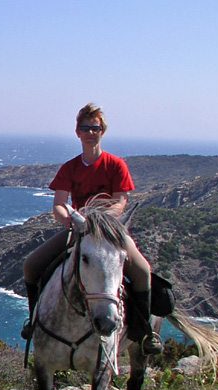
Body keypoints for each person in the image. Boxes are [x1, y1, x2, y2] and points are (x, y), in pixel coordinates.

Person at [21, 103, 163, 355]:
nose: (90, 132)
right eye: (85, 128)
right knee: (32, 265)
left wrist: (100, 220)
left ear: (102, 131)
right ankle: (34, 322)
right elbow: (59, 204)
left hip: (109, 234)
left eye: (95, 128)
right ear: (78, 132)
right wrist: (71, 221)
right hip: (78, 230)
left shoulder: (115, 165)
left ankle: (144, 332)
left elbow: (121, 201)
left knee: (142, 271)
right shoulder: (70, 167)